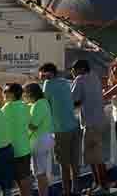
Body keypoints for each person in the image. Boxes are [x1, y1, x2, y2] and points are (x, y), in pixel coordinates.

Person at [39, 62, 80, 196]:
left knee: (64, 164)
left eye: (42, 75)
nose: (41, 78)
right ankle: (76, 189)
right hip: (74, 126)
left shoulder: (48, 84)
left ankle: (67, 192)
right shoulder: (64, 82)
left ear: (47, 73)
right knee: (74, 162)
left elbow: (43, 105)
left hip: (61, 130)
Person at [71, 59, 109, 193]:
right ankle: (97, 184)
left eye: (74, 69)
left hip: (90, 123)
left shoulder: (80, 79)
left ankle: (102, 186)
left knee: (94, 156)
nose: (72, 72)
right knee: (95, 155)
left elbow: (73, 100)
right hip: (100, 120)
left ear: (81, 69)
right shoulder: (95, 76)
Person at [0, 83, 32, 196]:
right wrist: (0, 95)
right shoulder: (25, 106)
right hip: (25, 148)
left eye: (6, 92)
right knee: (24, 179)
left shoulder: (8, 107)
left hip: (13, 150)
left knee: (18, 181)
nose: (5, 94)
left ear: (12, 94)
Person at [24, 82, 54, 196]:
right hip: (45, 139)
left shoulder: (38, 105)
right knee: (44, 172)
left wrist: (23, 120)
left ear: (31, 94)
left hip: (39, 141)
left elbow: (33, 125)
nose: (24, 97)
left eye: (25, 94)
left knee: (40, 174)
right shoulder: (43, 102)